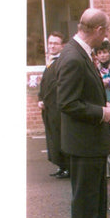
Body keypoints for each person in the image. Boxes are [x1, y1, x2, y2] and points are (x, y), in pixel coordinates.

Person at [55, 8, 110, 218]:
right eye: (107, 30)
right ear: (99, 31)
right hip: (82, 142)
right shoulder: (73, 57)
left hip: (91, 141)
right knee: (85, 197)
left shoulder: (80, 53)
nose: (107, 36)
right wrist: (101, 113)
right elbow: (68, 102)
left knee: (97, 195)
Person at [38, 30, 70, 178]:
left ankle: (67, 167)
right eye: (50, 43)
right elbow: (45, 84)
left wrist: (46, 100)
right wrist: (40, 98)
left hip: (57, 106)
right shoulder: (50, 61)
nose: (52, 46)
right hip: (48, 107)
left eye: (55, 43)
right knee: (53, 136)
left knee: (60, 136)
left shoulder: (61, 62)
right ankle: (61, 165)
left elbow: (56, 85)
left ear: (62, 46)